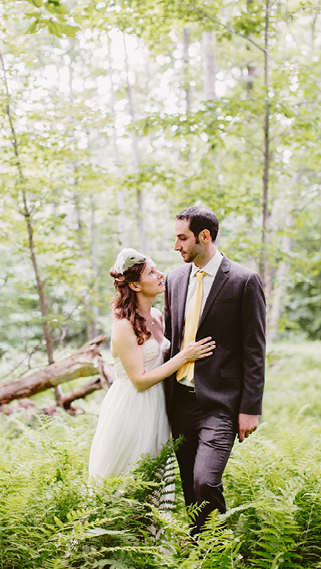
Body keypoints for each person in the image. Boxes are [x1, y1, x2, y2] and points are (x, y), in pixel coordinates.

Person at [163, 206, 266, 534]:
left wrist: (250, 409)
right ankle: (200, 548)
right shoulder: (174, 279)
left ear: (204, 237)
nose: (176, 246)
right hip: (178, 402)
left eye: (182, 238)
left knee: (205, 480)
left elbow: (255, 350)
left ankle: (221, 549)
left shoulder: (244, 281)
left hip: (220, 404)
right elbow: (170, 337)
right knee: (190, 489)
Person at [89, 248, 215, 480]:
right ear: (135, 285)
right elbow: (139, 381)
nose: (160, 275)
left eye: (157, 269)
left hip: (159, 405)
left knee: (152, 483)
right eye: (151, 273)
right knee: (127, 482)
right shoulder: (123, 325)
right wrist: (184, 357)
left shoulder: (157, 316)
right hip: (132, 409)